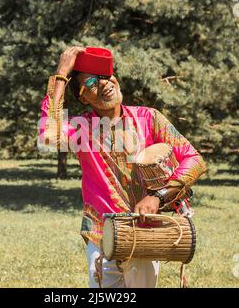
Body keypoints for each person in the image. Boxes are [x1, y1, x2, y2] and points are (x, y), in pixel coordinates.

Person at [38, 46, 207, 288]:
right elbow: (48, 136)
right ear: (83, 97)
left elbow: (195, 159)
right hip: (102, 236)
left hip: (147, 234)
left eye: (106, 76)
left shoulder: (149, 119)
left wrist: (158, 197)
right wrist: (62, 74)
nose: (105, 83)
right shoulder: (81, 129)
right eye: (93, 82)